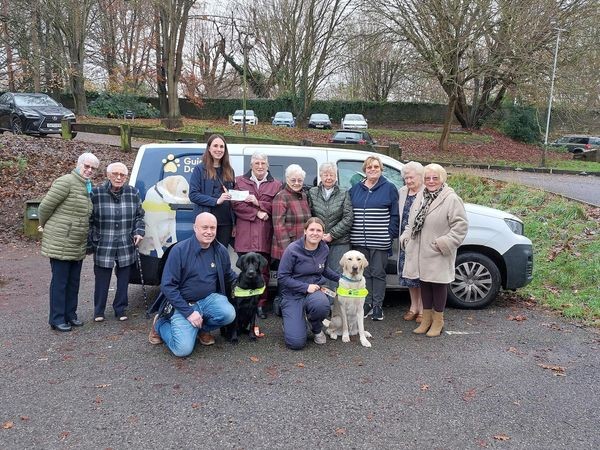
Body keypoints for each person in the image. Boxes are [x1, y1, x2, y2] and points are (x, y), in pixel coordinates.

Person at [148, 212, 237, 357]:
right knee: (182, 350)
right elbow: (168, 286)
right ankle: (160, 325)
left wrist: (246, 284)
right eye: (205, 227)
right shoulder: (179, 251)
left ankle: (201, 329)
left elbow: (229, 275)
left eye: (213, 228)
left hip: (208, 300)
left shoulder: (220, 250)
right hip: (183, 304)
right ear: (195, 228)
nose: (209, 232)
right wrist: (189, 313)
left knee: (228, 314)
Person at [400, 163, 468, 337]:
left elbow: (460, 227)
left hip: (437, 251)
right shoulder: (421, 196)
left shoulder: (451, 199)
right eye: (427, 178)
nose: (431, 181)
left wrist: (442, 243)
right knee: (424, 285)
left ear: (442, 179)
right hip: (419, 251)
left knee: (438, 287)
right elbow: (411, 221)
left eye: (435, 178)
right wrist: (406, 238)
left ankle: (438, 322)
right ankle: (426, 320)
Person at [38, 152, 100, 332]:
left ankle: (70, 315)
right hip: (61, 240)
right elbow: (44, 208)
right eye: (86, 166)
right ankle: (57, 319)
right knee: (60, 282)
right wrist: (48, 227)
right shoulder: (65, 182)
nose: (89, 170)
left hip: (77, 242)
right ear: (78, 165)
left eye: (93, 168)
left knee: (73, 282)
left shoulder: (87, 186)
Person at [89, 162, 145, 322]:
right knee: (102, 278)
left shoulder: (133, 193)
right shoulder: (96, 193)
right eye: (115, 174)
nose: (119, 178)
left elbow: (139, 216)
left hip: (125, 243)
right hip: (103, 243)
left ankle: (120, 309)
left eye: (122, 175)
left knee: (123, 280)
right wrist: (93, 237)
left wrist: (139, 232)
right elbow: (89, 219)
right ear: (108, 175)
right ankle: (98, 310)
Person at [231, 152, 282, 319]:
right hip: (245, 234)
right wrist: (257, 213)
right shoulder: (239, 181)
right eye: (257, 163)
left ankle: (260, 304)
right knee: (245, 271)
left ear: (268, 165)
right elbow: (236, 205)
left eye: (263, 163)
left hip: (265, 236)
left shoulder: (276, 184)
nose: (260, 166)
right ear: (251, 165)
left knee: (264, 272)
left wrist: (258, 203)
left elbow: (278, 205)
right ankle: (244, 303)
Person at [348, 155, 399, 321]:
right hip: (359, 241)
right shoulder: (356, 188)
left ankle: (377, 306)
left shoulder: (389, 188)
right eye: (369, 167)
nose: (373, 170)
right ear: (365, 170)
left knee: (378, 273)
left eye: (376, 167)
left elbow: (395, 214)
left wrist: (389, 233)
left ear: (381, 169)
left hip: (379, 241)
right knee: (364, 273)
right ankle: (367, 303)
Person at [277, 217, 340, 350]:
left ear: (323, 233)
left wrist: (342, 279)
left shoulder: (324, 248)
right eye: (311, 229)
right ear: (305, 231)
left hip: (315, 292)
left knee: (322, 305)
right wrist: (305, 287)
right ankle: (291, 321)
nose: (315, 233)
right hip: (292, 294)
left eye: (319, 230)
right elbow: (282, 277)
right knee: (296, 343)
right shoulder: (292, 249)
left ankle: (316, 328)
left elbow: (324, 269)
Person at [307, 162, 353, 292]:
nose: (328, 178)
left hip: (339, 241)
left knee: (338, 274)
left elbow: (348, 218)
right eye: (325, 175)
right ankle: (323, 304)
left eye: (331, 175)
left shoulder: (344, 193)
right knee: (320, 272)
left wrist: (332, 235)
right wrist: (320, 234)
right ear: (320, 176)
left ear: (336, 177)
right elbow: (310, 216)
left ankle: (336, 305)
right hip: (318, 241)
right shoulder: (312, 192)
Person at [189, 134, 235, 248]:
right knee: (204, 255)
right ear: (209, 148)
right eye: (215, 146)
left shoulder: (229, 170)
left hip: (226, 223)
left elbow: (232, 197)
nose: (219, 149)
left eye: (221, 147)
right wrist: (216, 201)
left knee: (220, 255)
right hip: (206, 223)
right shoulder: (199, 169)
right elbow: (193, 195)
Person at [397, 161, 425, 323]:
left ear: (420, 177)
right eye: (406, 178)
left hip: (419, 239)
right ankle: (413, 307)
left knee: (419, 276)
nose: (408, 181)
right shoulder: (402, 192)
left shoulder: (426, 192)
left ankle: (422, 309)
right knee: (408, 276)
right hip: (404, 239)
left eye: (411, 177)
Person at [271, 164, 312, 261]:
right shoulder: (281, 196)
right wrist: (288, 250)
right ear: (287, 179)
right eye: (293, 180)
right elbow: (278, 226)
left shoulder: (304, 196)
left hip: (302, 246)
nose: (297, 183)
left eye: (300, 180)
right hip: (287, 247)